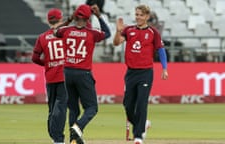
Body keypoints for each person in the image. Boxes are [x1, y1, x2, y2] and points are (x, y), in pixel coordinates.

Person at [54, 4, 111, 144]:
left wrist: (69, 19)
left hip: (67, 73)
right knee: (92, 108)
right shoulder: (92, 33)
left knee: (73, 109)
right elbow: (108, 33)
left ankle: (73, 140)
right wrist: (98, 16)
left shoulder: (66, 30)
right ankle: (78, 126)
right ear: (87, 18)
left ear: (76, 16)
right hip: (83, 73)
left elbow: (55, 31)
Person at [113, 4, 168, 144]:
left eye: (141, 15)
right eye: (136, 14)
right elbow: (116, 43)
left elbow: (160, 50)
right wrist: (118, 31)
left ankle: (138, 136)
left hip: (145, 72)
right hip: (131, 72)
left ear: (147, 17)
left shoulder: (153, 32)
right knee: (127, 104)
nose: (138, 17)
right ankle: (142, 124)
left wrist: (164, 68)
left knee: (142, 103)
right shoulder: (128, 30)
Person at [31, 8, 70, 144]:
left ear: (48, 21)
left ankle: (54, 135)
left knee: (52, 107)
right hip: (65, 76)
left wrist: (47, 64)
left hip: (50, 76)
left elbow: (35, 57)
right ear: (60, 19)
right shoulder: (67, 34)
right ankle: (58, 139)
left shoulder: (42, 37)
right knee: (61, 108)